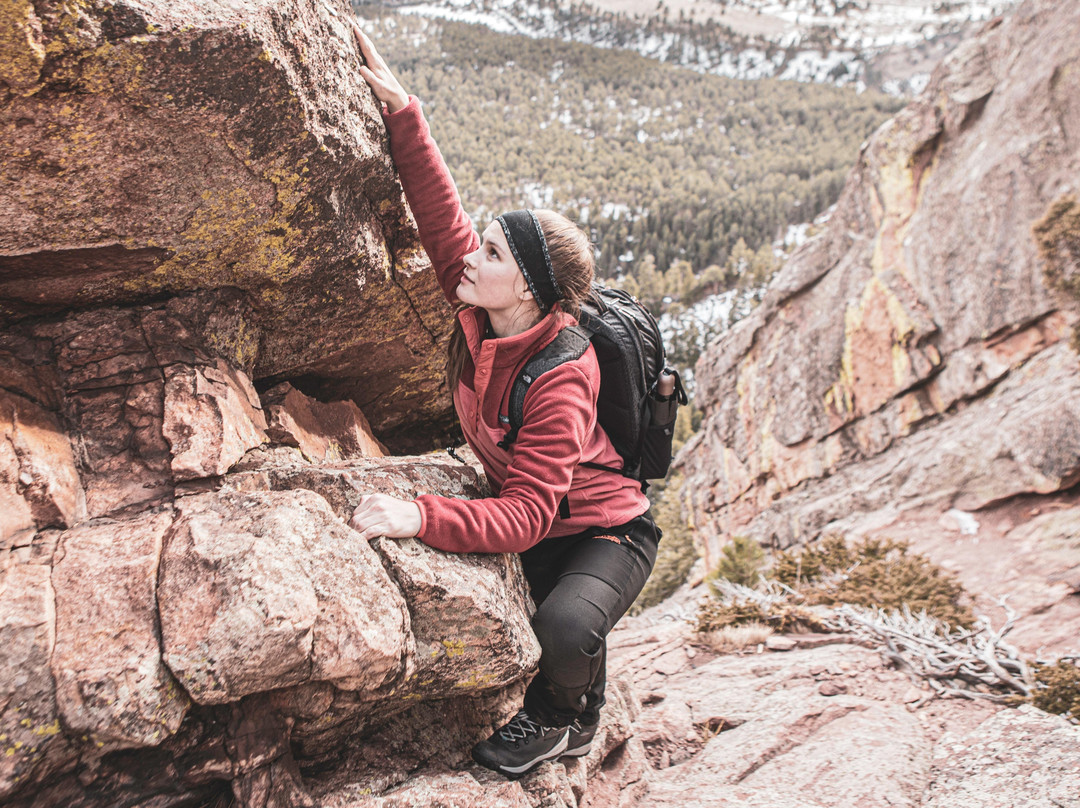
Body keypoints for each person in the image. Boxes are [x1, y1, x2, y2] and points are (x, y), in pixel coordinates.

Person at [347, 22, 660, 780]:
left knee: (561, 625)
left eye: (491, 252)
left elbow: (525, 516)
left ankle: (560, 722)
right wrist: (403, 111)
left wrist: (418, 514)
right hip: (545, 515)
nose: (469, 256)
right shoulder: (485, 305)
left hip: (602, 530)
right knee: (551, 620)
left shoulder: (562, 371)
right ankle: (582, 696)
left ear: (526, 287)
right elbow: (440, 213)